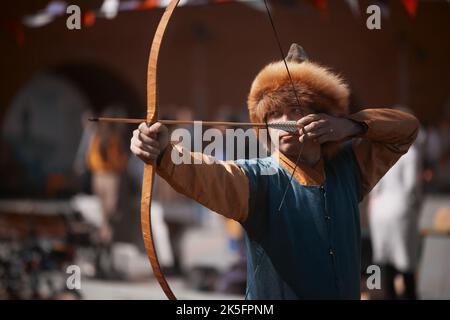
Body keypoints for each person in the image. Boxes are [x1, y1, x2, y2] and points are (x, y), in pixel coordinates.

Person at [130, 44, 419, 299]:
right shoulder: (257, 179)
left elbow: (407, 129)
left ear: (322, 116)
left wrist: (351, 126)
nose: (283, 122)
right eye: (273, 114)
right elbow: (212, 175)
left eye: (295, 110)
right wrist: (164, 153)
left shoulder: (349, 167)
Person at [368, 107, 423, 300]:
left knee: (384, 259)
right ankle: (410, 295)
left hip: (380, 211)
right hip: (401, 209)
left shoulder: (383, 149)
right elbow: (411, 187)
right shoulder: (412, 153)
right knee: (407, 261)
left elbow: (374, 184)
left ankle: (383, 294)